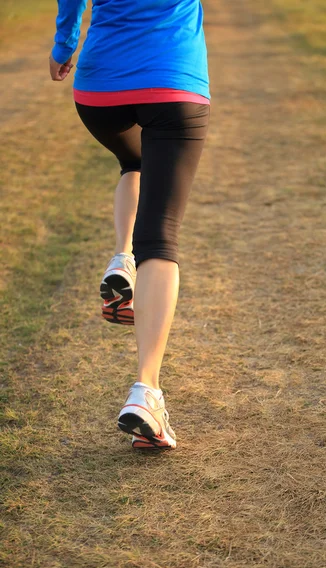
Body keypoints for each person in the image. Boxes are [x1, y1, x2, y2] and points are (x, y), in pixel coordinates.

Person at [49, 0, 210, 450]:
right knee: (160, 236)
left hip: (100, 90)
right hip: (172, 80)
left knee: (133, 159)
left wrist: (64, 43)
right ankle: (146, 391)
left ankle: (123, 257)